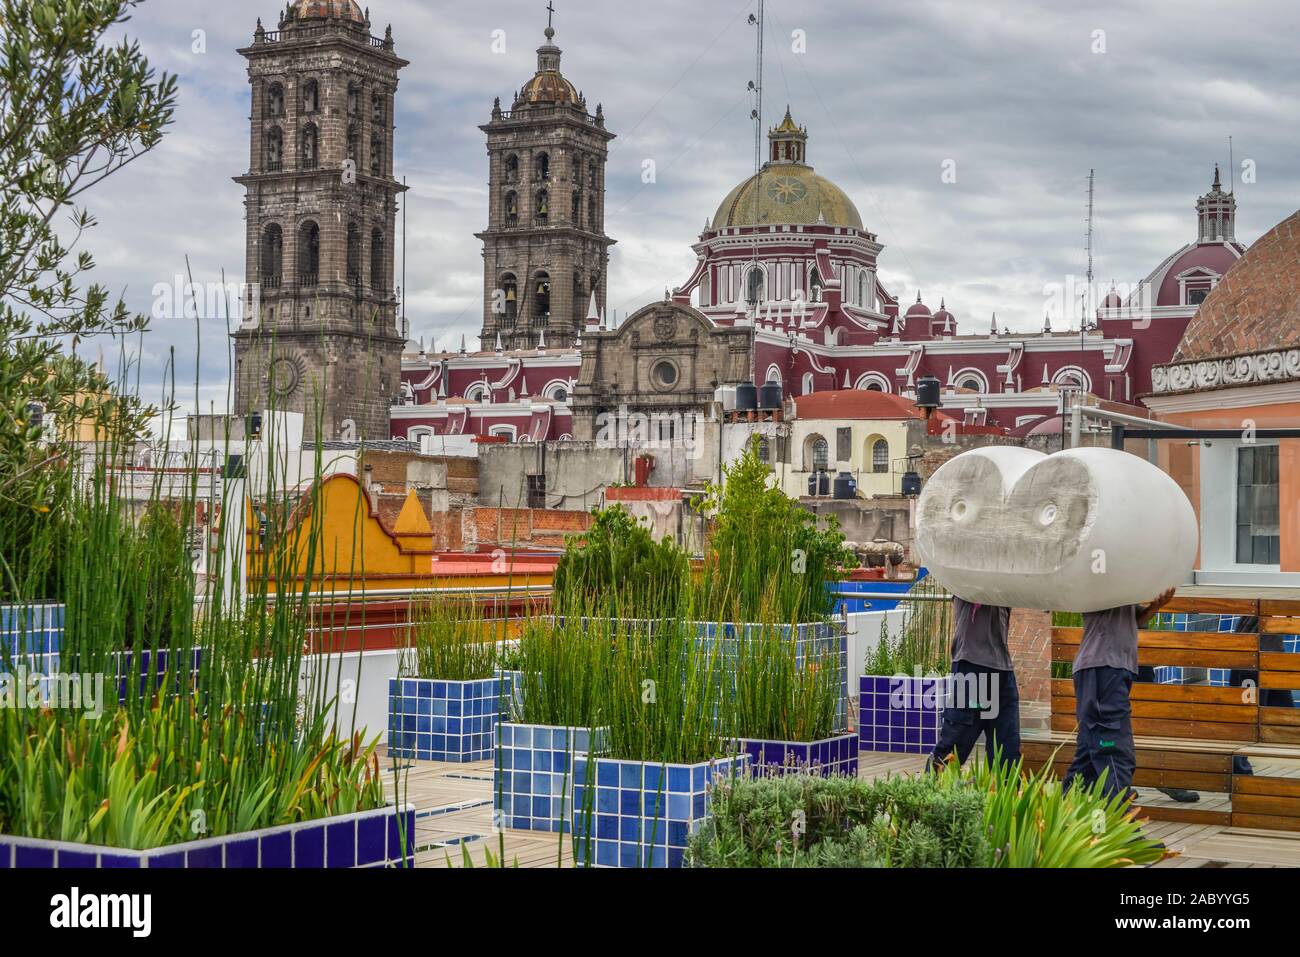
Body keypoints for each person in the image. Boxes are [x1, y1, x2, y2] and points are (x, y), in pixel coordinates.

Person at [1063, 588, 1176, 802]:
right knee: (1113, 750)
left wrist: (1155, 607)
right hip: (1103, 668)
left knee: (1089, 753)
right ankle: (1122, 823)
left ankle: (1060, 820)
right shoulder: (1103, 572)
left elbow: (1133, 619)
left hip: (1110, 671)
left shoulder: (1123, 578)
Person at [928, 596, 1020, 771]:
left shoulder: (1005, 580)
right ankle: (926, 795)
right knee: (953, 747)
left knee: (1007, 753)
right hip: (972, 665)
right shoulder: (969, 573)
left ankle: (1006, 797)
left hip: (1002, 670)